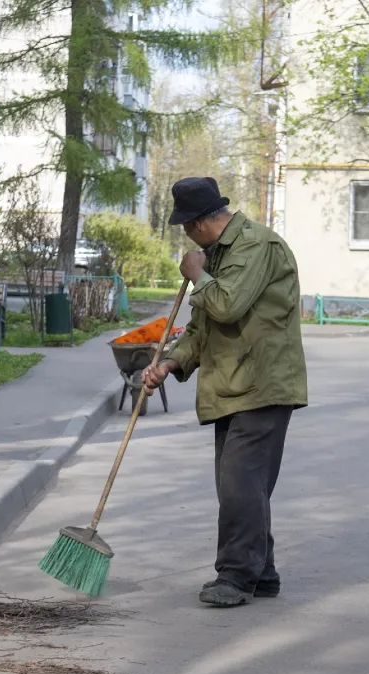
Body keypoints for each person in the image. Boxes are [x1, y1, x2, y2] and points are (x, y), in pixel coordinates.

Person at [141, 177, 308, 608]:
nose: (185, 236)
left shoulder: (255, 245)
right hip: (232, 384)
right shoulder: (222, 253)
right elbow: (204, 326)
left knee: (239, 484)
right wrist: (171, 363)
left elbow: (227, 304)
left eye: (184, 227)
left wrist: (197, 274)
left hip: (262, 383)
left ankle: (235, 576)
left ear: (198, 224)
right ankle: (262, 573)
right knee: (242, 485)